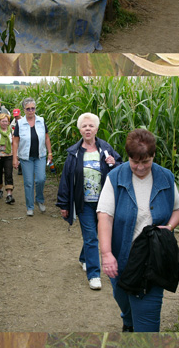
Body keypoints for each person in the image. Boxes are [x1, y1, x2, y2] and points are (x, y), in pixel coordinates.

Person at [97, 128, 179, 332]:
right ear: (128, 157)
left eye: (146, 161)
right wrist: (107, 254)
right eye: (135, 162)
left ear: (153, 155)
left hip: (152, 260)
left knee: (147, 319)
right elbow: (105, 217)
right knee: (123, 298)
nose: (140, 167)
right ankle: (129, 322)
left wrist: (169, 227)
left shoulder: (165, 177)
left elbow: (178, 210)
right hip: (122, 257)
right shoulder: (116, 177)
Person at [57, 113, 121, 290]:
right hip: (84, 203)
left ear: (97, 129)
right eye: (84, 126)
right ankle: (94, 275)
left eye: (91, 126)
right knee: (92, 237)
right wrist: (64, 204)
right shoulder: (74, 153)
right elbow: (66, 179)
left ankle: (84, 258)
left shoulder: (106, 149)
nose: (88, 129)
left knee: (95, 236)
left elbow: (121, 167)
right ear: (79, 129)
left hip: (104, 203)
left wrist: (114, 163)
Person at [12, 97, 53, 216]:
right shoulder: (20, 123)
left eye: (33, 108)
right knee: (28, 182)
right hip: (26, 157)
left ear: (35, 109)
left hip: (40, 155)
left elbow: (46, 137)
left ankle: (39, 199)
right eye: (28, 109)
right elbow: (15, 141)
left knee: (41, 179)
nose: (30, 111)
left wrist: (50, 153)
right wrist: (15, 158)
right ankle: (30, 207)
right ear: (24, 110)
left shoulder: (41, 120)